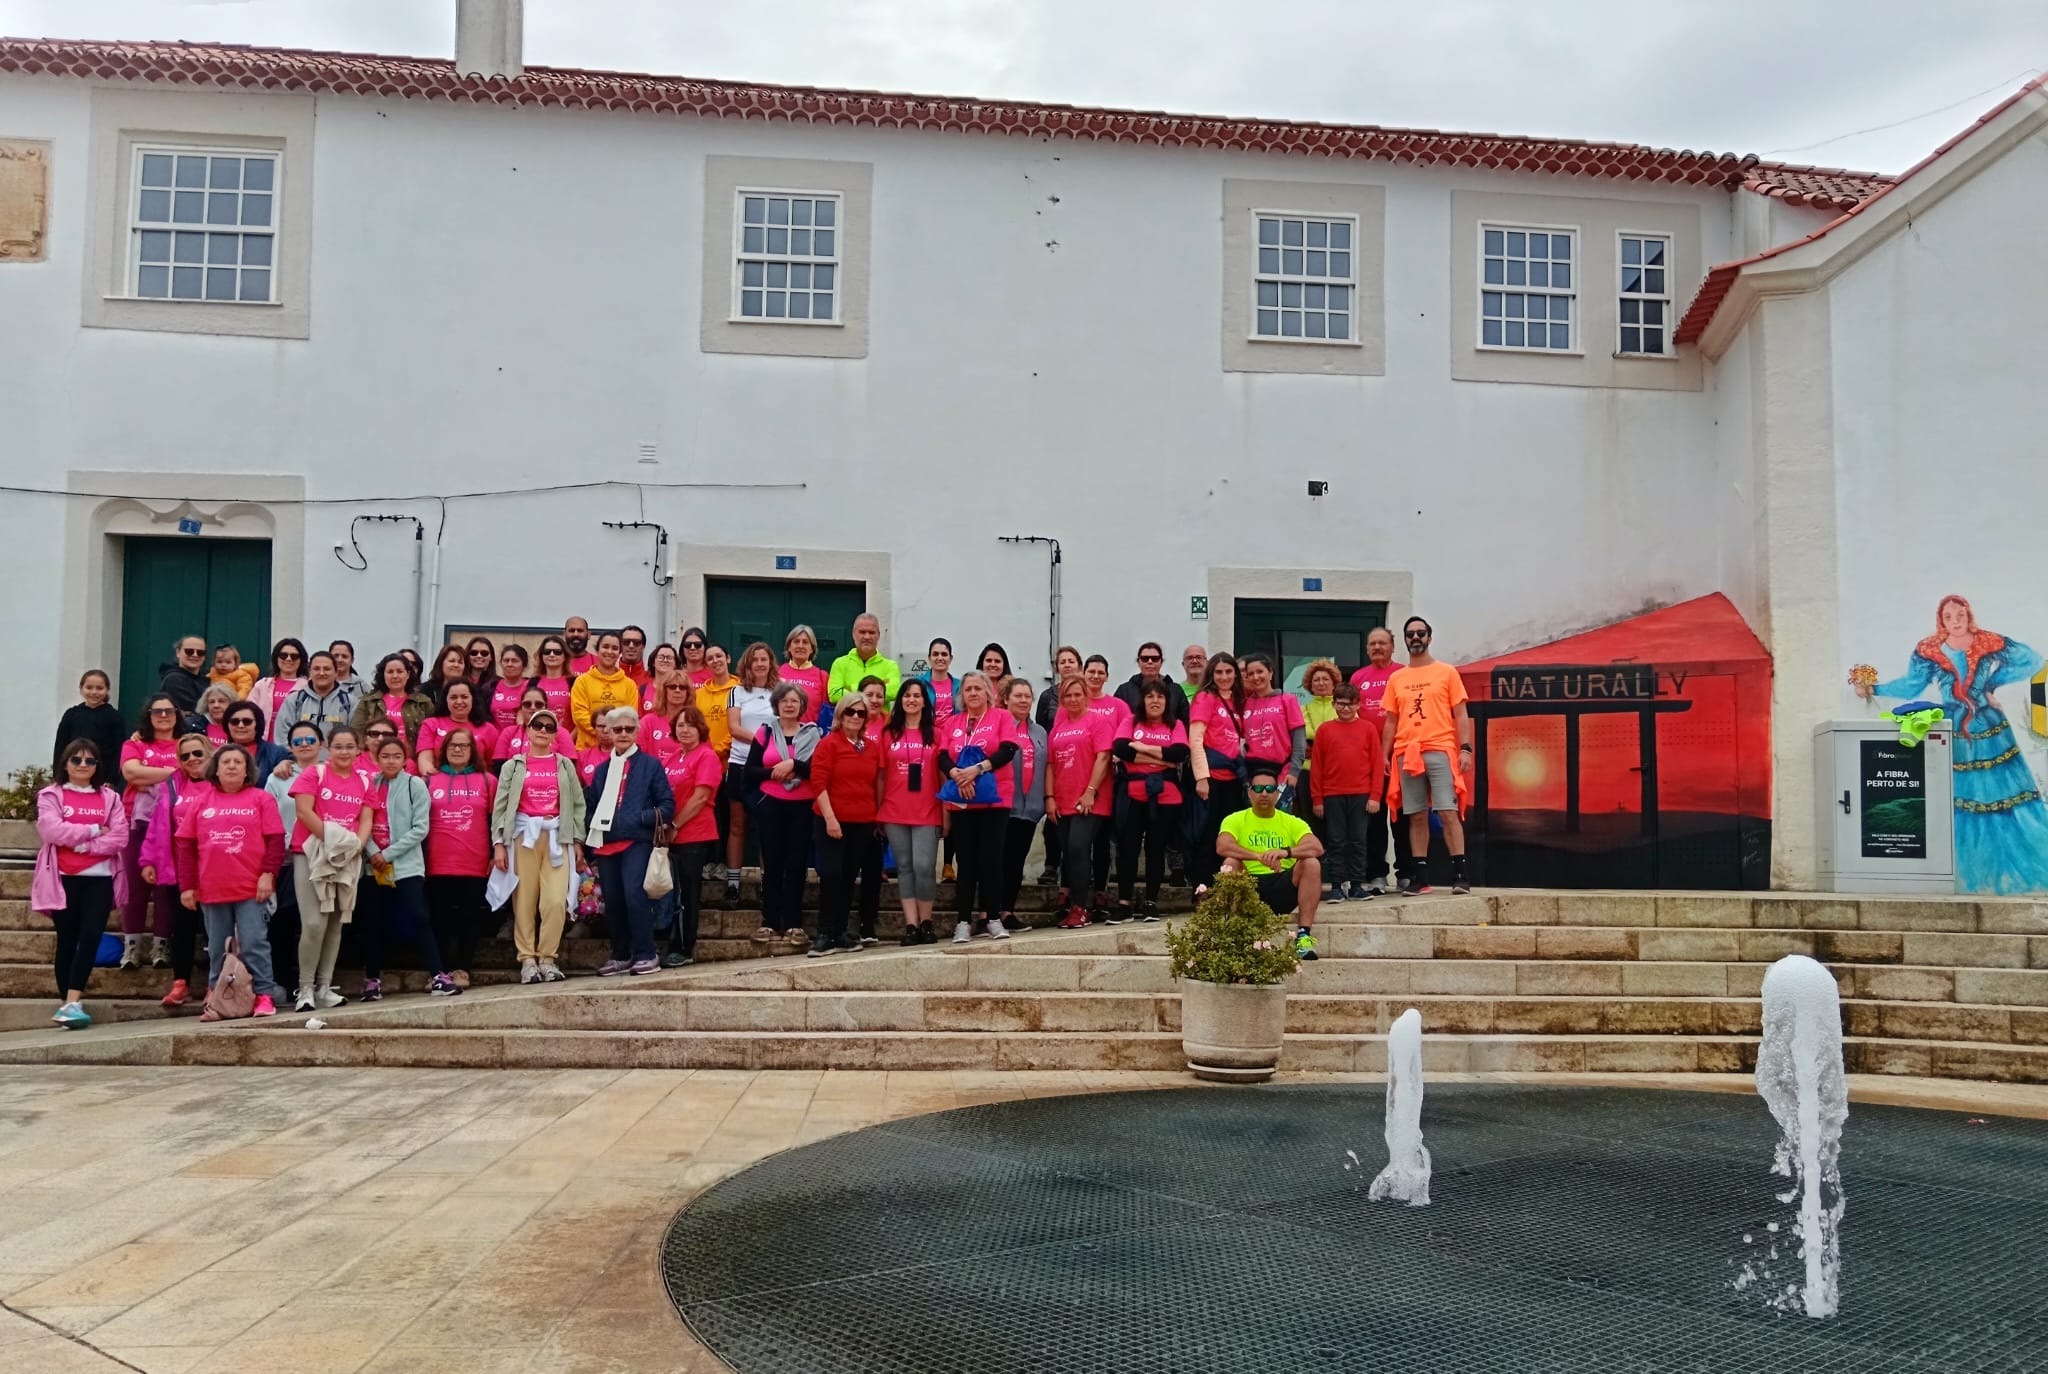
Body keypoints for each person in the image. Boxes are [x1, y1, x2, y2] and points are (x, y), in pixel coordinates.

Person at [1854, 594, 2048, 892]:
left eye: (1960, 615)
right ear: (1941, 620)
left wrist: (1994, 684)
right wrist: (1875, 688)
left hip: (1990, 726)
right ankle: (1969, 874)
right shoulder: (1930, 650)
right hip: (1956, 729)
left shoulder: (1987, 641)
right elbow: (1912, 684)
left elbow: (2031, 660)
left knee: (2005, 792)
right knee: (1965, 797)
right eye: (1949, 617)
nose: (1956, 622)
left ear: (1969, 616)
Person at [174, 743, 283, 1016]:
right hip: (212, 888)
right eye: (226, 762)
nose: (232, 766)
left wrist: (268, 874)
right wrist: (187, 886)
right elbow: (185, 846)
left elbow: (275, 840)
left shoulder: (261, 799)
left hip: (251, 888)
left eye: (238, 762)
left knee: (254, 942)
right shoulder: (201, 801)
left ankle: (264, 995)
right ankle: (217, 999)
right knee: (216, 948)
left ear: (247, 770)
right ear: (216, 769)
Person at [34, 740, 129, 1029]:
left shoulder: (110, 798)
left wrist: (84, 847)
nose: (83, 765)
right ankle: (68, 1004)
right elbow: (51, 830)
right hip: (62, 878)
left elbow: (119, 837)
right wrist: (91, 830)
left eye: (90, 761)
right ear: (65, 763)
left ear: (98, 766)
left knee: (90, 936)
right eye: (77, 760)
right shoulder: (51, 795)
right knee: (67, 940)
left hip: (99, 878)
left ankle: (73, 1001)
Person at [359, 736, 462, 1000]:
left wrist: (389, 854)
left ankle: (438, 975)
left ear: (405, 759)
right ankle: (372, 980)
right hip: (373, 865)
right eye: (385, 756)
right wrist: (373, 853)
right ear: (377, 759)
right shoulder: (370, 784)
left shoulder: (414, 784)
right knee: (372, 921)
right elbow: (361, 823)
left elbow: (420, 828)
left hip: (406, 865)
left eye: (396, 756)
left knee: (419, 916)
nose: (391, 761)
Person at [491, 708, 586, 983]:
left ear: (556, 734)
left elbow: (578, 804)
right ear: (528, 730)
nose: (543, 731)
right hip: (523, 835)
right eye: (537, 725)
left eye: (549, 727)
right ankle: (528, 960)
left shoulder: (565, 765)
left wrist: (577, 840)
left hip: (557, 835)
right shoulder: (514, 765)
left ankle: (548, 957)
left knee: (556, 901)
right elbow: (500, 806)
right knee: (524, 901)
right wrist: (499, 843)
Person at [1380, 616, 1472, 895]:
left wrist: (1465, 748)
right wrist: (1384, 755)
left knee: (1447, 811)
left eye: (1421, 633)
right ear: (1405, 640)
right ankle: (1421, 877)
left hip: (1440, 747)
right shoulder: (1397, 678)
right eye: (1410, 634)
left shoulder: (1446, 672)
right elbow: (1391, 721)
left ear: (1429, 638)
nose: (1416, 638)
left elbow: (1460, 714)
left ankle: (1460, 874)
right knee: (1416, 815)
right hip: (1406, 752)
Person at [583, 707, 675, 975]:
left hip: (637, 841)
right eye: (617, 729)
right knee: (613, 900)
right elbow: (590, 805)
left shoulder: (651, 765)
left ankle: (646, 953)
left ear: (636, 732)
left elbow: (667, 804)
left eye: (629, 729)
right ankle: (621, 954)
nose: (623, 734)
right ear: (608, 733)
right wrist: (592, 824)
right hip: (606, 843)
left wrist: (639, 818)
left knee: (635, 895)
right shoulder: (601, 770)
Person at [287, 724, 373, 1010]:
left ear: (358, 749)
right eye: (338, 746)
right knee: (314, 923)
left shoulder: (363, 780)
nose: (344, 752)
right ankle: (305, 989)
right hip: (311, 853)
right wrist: (335, 841)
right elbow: (303, 811)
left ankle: (324, 987)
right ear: (328, 748)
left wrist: (356, 847)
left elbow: (366, 819)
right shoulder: (315, 774)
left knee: (336, 923)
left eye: (350, 746)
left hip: (346, 856)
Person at [939, 671, 1020, 942]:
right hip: (962, 800)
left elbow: (1008, 750)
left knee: (991, 860)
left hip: (995, 799)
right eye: (967, 689)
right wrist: (957, 776)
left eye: (978, 688)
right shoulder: (952, 723)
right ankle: (963, 921)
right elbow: (942, 756)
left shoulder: (1002, 717)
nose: (972, 693)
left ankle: (993, 918)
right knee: (966, 862)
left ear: (988, 692)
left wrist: (976, 770)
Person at [740, 684, 822, 952]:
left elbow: (819, 771)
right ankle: (769, 920)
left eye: (795, 701)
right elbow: (749, 771)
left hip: (802, 806)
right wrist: (774, 773)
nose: (789, 705)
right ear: (777, 704)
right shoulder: (764, 732)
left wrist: (795, 766)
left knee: (797, 864)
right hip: (771, 805)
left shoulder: (813, 734)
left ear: (802, 705)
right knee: (772, 864)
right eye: (784, 700)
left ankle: (794, 923)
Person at [1217, 766, 1325, 959]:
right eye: (1258, 789)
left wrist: (1285, 852)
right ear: (1250, 793)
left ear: (1277, 793)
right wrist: (1259, 856)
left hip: (1281, 886)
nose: (1264, 793)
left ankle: (1303, 936)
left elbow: (1316, 848)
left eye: (1269, 789)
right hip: (1249, 889)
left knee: (1311, 863)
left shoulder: (1292, 821)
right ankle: (1232, 932)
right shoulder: (1235, 819)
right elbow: (1223, 846)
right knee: (1230, 862)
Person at [139, 732, 213, 1006]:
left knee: (214, 931)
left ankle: (215, 986)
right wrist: (148, 860)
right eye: (185, 756)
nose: (192, 759)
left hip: (215, 869)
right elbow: (158, 824)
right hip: (180, 869)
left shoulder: (222, 783)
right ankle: (180, 983)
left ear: (209, 754)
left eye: (197, 753)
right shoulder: (172, 785)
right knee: (181, 929)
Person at [808, 692, 883, 956]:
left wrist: (877, 818)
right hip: (832, 820)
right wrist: (830, 818)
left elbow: (876, 784)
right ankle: (824, 933)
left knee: (849, 878)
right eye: (850, 711)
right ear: (840, 714)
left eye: (860, 713)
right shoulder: (829, 744)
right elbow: (818, 782)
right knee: (831, 875)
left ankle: (839, 932)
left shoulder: (872, 748)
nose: (855, 717)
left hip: (862, 822)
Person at [423, 727, 496, 987]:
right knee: (439, 919)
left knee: (470, 919)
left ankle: (463, 969)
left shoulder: (487, 780)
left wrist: (494, 853)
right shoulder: (429, 780)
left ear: (472, 750)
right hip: (438, 862)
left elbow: (495, 821)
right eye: (453, 745)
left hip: (474, 862)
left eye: (463, 745)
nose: (457, 749)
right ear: (444, 750)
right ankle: (439, 972)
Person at [1113, 681, 1189, 922]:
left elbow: (1180, 753)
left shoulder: (1175, 724)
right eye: (1150, 696)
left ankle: (1150, 902)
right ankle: (1124, 902)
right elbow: (1120, 748)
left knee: (1155, 849)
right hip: (1133, 793)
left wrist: (1143, 748)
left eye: (1160, 697)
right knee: (1128, 848)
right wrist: (1162, 759)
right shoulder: (1131, 721)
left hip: (1165, 796)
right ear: (1142, 700)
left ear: (1167, 701)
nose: (1155, 701)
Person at [117, 693, 182, 969]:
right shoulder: (136, 743)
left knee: (165, 886)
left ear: (177, 715)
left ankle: (161, 946)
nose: (164, 716)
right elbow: (131, 773)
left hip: (173, 823)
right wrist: (173, 772)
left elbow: (194, 769)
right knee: (135, 885)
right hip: (136, 821)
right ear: (149, 715)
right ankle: (131, 947)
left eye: (169, 711)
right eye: (158, 711)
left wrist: (150, 772)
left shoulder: (184, 744)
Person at [655, 704, 722, 967]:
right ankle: (668, 940)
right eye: (680, 724)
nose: (684, 730)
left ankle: (683, 947)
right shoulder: (673, 757)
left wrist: (676, 825)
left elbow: (701, 797)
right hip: (671, 836)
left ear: (700, 729)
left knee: (687, 894)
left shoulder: (706, 756)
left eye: (690, 725)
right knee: (671, 892)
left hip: (694, 834)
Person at [1046, 676, 1114, 929]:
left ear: (1086, 695)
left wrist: (1091, 791)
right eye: (1068, 696)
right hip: (1062, 799)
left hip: (1089, 800)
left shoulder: (1097, 720)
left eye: (1077, 694)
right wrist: (1049, 797)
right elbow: (1051, 764)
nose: (1073, 700)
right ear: (1062, 699)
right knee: (1070, 853)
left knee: (1078, 848)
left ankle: (1080, 908)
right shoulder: (1059, 725)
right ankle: (1074, 906)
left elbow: (1104, 757)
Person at [264, 720, 325, 999]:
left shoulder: (331, 773)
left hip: (324, 856)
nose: (304, 745)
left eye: (310, 740)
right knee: (285, 919)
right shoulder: (278, 777)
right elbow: (268, 815)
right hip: (288, 856)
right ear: (290, 747)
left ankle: (318, 981)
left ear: (320, 744)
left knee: (319, 920)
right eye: (298, 741)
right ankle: (284, 980)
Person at [880, 679, 943, 944]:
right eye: (907, 695)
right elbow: (881, 776)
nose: (911, 700)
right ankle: (911, 924)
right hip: (894, 810)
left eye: (917, 696)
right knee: (904, 868)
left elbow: (942, 776)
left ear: (924, 702)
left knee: (924, 866)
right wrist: (878, 810)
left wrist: (946, 813)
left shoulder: (937, 733)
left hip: (927, 810)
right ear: (900, 701)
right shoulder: (888, 734)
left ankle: (927, 921)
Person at [1311, 682, 1386, 902]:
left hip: (1361, 794)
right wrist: (1318, 799)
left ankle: (1356, 885)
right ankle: (1336, 885)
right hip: (1332, 794)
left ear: (1358, 705)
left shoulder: (1368, 729)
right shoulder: (1325, 730)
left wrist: (1375, 796)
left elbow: (1377, 765)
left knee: (1358, 840)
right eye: (1341, 704)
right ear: (1333, 704)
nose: (1345, 709)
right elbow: (1317, 767)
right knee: (1336, 840)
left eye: (1350, 704)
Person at [724, 643, 780, 904]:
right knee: (738, 825)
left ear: (771, 662)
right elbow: (734, 728)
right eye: (754, 659)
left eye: (764, 659)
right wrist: (764, 741)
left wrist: (769, 747)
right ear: (746, 664)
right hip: (740, 764)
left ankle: (767, 883)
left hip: (770, 768)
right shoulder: (736, 692)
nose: (759, 664)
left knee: (768, 827)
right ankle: (733, 884)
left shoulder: (781, 690)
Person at [1187, 652, 1247, 896]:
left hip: (1234, 779)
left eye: (1229, 672)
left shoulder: (1239, 701)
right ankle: (1202, 889)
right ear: (1211, 674)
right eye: (1219, 672)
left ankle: (1227, 889)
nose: (1224, 677)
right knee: (1207, 835)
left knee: (1230, 837)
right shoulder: (1205, 698)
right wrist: (1202, 777)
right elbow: (1196, 738)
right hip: (1211, 778)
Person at [1349, 626, 1404, 893]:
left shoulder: (1403, 673)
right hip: (1368, 761)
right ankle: (1376, 874)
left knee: (1403, 815)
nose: (1377, 647)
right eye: (1372, 644)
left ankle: (1407, 872)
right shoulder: (1359, 677)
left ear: (1393, 646)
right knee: (1374, 817)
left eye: (1382, 643)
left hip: (1402, 755)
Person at [999, 677, 1048, 930]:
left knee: (1016, 862)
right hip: (1002, 807)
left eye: (1027, 696)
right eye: (1017, 695)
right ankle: (990, 913)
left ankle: (1007, 912)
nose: (1023, 700)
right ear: (1006, 699)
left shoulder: (1039, 732)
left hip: (1029, 809)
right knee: (997, 861)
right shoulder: (999, 725)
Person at [1239, 652, 1307, 799]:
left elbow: (1299, 740)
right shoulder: (1245, 704)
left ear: (1270, 672)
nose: (1256, 677)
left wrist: (1294, 772)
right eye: (1251, 673)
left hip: (1282, 772)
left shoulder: (1287, 700)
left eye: (1260, 671)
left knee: (1279, 818)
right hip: (1252, 774)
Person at [52, 669, 125, 790]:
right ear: (81, 689)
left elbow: (119, 750)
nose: (94, 692)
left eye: (99, 688)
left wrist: (112, 779)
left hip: (102, 777)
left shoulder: (115, 717)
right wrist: (58, 776)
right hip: (73, 775)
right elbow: (60, 746)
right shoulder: (71, 715)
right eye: (89, 687)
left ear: (107, 690)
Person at [351, 652, 434, 755]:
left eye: (399, 671)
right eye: (390, 672)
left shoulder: (423, 702)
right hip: (375, 760)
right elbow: (356, 732)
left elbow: (431, 735)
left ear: (407, 674)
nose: (395, 676)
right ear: (383, 675)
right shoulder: (368, 701)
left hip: (411, 762)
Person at [1295, 658, 1342, 841]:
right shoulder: (1301, 709)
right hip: (1307, 772)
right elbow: (1298, 738)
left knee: (1336, 826)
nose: (1321, 683)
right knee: (1310, 824)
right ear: (1309, 685)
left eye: (1325, 679)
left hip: (1336, 774)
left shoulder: (1343, 708)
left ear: (1334, 683)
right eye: (1316, 680)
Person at [569, 632, 638, 750]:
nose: (610, 652)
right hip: (587, 750)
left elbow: (630, 716)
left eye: (615, 648)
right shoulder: (582, 682)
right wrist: (603, 732)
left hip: (619, 751)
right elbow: (579, 716)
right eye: (605, 647)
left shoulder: (629, 685)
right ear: (597, 650)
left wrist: (614, 734)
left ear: (620, 653)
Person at [273, 651, 356, 748]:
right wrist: (293, 759)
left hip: (337, 762)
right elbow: (281, 738)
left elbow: (356, 738)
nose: (321, 673)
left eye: (327, 669)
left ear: (336, 672)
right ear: (309, 672)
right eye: (316, 669)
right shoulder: (294, 701)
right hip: (301, 762)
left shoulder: (350, 702)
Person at [418, 680, 500, 774]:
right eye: (453, 697)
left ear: (473, 699)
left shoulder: (489, 729)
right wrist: (433, 779)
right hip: (439, 784)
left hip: (477, 785)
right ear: (446, 700)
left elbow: (492, 767)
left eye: (464, 697)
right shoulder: (430, 724)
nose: (459, 701)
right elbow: (425, 760)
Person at [826, 613, 901, 706]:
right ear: (853, 634)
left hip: (879, 720)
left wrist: (850, 688)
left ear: (878, 635)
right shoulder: (840, 663)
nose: (867, 637)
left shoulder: (890, 666)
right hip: (851, 719)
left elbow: (894, 691)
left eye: (871, 632)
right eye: (862, 632)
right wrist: (877, 690)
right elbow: (834, 695)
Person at [1116, 642, 1190, 726]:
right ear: (1138, 662)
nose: (1150, 662)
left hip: (1170, 737)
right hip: (1133, 738)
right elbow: (1116, 721)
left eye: (1155, 659)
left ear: (1161, 662)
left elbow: (1186, 722)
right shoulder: (1124, 691)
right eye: (1145, 658)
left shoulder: (1175, 690)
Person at [220, 699, 289, 782]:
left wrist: (288, 762)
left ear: (258, 724)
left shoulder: (277, 754)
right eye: (235, 721)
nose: (240, 725)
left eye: (247, 721)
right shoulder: (218, 755)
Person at [694, 645, 738, 770]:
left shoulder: (741, 690)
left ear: (728, 659)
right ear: (706, 664)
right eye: (710, 658)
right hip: (704, 763)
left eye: (719, 656)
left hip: (733, 763)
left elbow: (740, 726)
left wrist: (717, 751)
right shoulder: (699, 694)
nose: (715, 661)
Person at [249, 638, 307, 728]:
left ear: (301, 660)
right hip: (263, 739)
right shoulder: (262, 685)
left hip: (295, 740)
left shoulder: (308, 687)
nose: (288, 659)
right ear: (276, 658)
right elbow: (248, 712)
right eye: (283, 655)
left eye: (294, 656)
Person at [637, 671, 694, 760]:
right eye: (672, 687)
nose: (677, 690)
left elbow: (705, 755)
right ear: (664, 690)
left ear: (688, 693)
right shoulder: (647, 722)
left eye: (682, 687)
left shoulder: (695, 722)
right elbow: (638, 758)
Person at [780, 625, 828, 723]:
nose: (800, 646)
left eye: (805, 642)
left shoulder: (822, 676)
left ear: (811, 649)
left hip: (811, 735)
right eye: (796, 641)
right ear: (789, 647)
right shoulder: (777, 673)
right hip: (780, 734)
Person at [496, 686, 554, 767]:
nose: (533, 707)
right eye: (527, 704)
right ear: (521, 708)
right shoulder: (509, 732)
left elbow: (568, 768)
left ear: (546, 707)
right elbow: (498, 767)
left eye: (539, 704)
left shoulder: (561, 733)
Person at [158, 634, 209, 713]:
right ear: (178, 652)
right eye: (189, 651)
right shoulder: (173, 680)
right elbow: (196, 710)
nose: (195, 655)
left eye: (200, 652)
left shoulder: (206, 679)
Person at [490, 643, 532, 731]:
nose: (509, 664)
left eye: (514, 661)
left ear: (524, 665)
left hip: (521, 739)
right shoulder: (490, 687)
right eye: (506, 660)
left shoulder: (531, 687)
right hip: (496, 741)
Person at [916, 638, 959, 724]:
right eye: (935, 654)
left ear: (950, 658)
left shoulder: (960, 685)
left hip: (953, 735)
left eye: (944, 654)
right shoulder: (918, 684)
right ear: (929, 658)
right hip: (927, 734)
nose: (940, 658)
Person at [533, 635, 576, 719]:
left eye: (557, 652)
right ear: (541, 656)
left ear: (565, 657)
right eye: (547, 651)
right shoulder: (532, 683)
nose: (551, 655)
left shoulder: (575, 683)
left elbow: (579, 718)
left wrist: (565, 733)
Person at [422, 642, 469, 707]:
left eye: (460, 662)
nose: (456, 665)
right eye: (451, 661)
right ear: (441, 663)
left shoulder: (471, 691)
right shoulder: (425, 690)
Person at [637, 644, 680, 713]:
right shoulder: (643, 690)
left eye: (669, 658)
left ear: (675, 664)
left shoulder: (681, 689)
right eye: (661, 657)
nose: (665, 660)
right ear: (653, 662)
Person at [464, 635, 499, 700]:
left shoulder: (499, 683)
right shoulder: (459, 681)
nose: (479, 656)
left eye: (484, 653)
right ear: (468, 656)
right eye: (474, 653)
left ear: (491, 657)